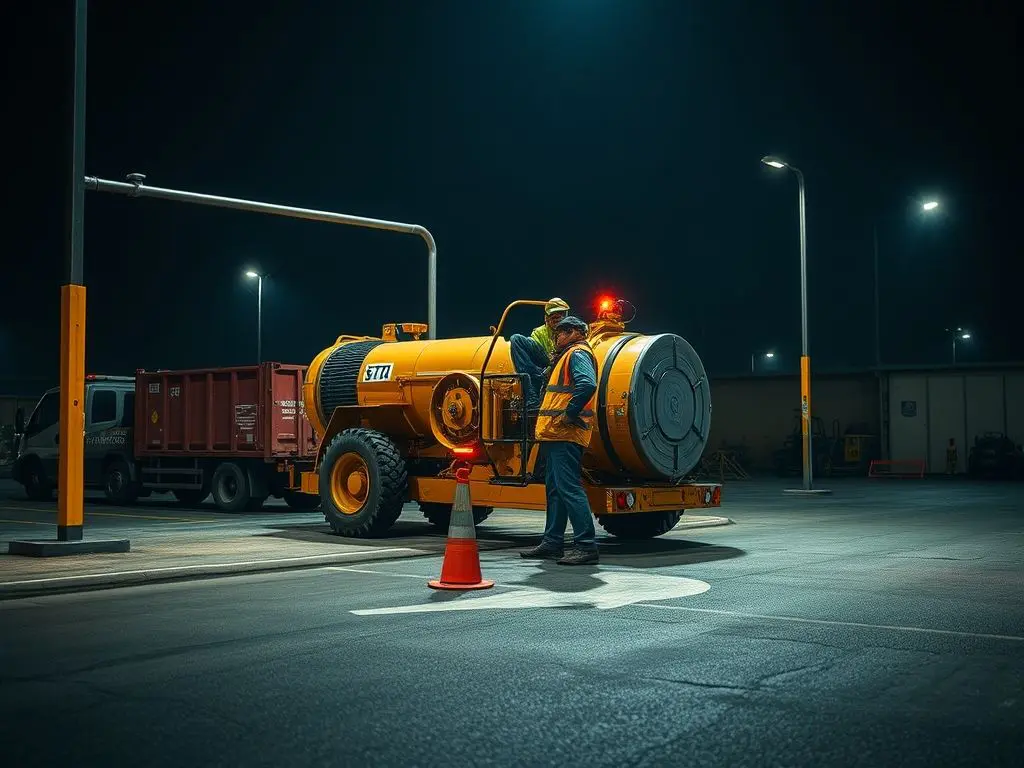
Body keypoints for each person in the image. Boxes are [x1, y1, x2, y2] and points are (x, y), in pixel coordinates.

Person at [520, 315, 600, 566]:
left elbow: (587, 385)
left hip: (566, 433)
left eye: (561, 333)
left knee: (569, 488)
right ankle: (553, 542)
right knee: (555, 490)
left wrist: (569, 414)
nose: (557, 338)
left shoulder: (577, 354)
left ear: (575, 332)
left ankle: (586, 545)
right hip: (556, 434)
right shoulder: (566, 356)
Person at [509, 297, 570, 412]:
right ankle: (533, 386)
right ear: (546, 318)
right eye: (553, 317)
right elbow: (535, 355)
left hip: (563, 361)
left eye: (560, 316)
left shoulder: (573, 330)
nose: (557, 320)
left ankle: (538, 379)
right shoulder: (539, 332)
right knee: (516, 339)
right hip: (546, 361)